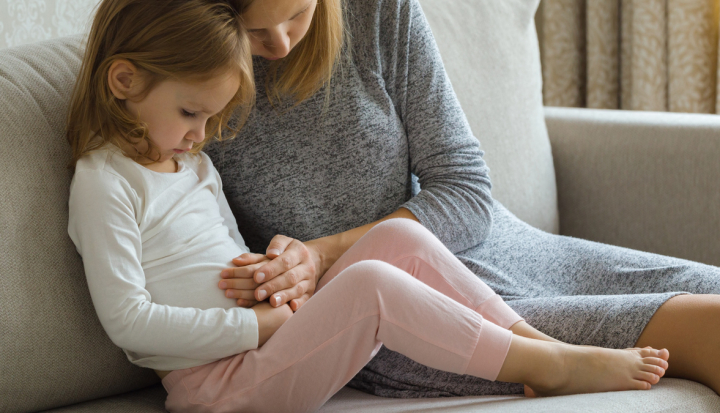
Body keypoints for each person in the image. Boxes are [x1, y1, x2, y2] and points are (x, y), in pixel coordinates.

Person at [65, 1, 671, 411]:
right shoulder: (104, 182)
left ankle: (542, 349)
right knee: (373, 285)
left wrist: (273, 273)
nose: (205, 133)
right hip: (218, 386)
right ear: (123, 83)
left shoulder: (191, 162)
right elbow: (131, 325)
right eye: (192, 114)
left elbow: (225, 253)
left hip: (267, 342)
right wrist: (261, 323)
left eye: (210, 117)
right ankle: (547, 365)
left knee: (397, 241)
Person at [207, 0, 720, 400]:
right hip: (406, 314)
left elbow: (465, 188)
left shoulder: (374, 10)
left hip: (499, 247)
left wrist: (319, 252)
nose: (279, 43)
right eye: (252, 29)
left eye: (298, 12)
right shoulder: (188, 80)